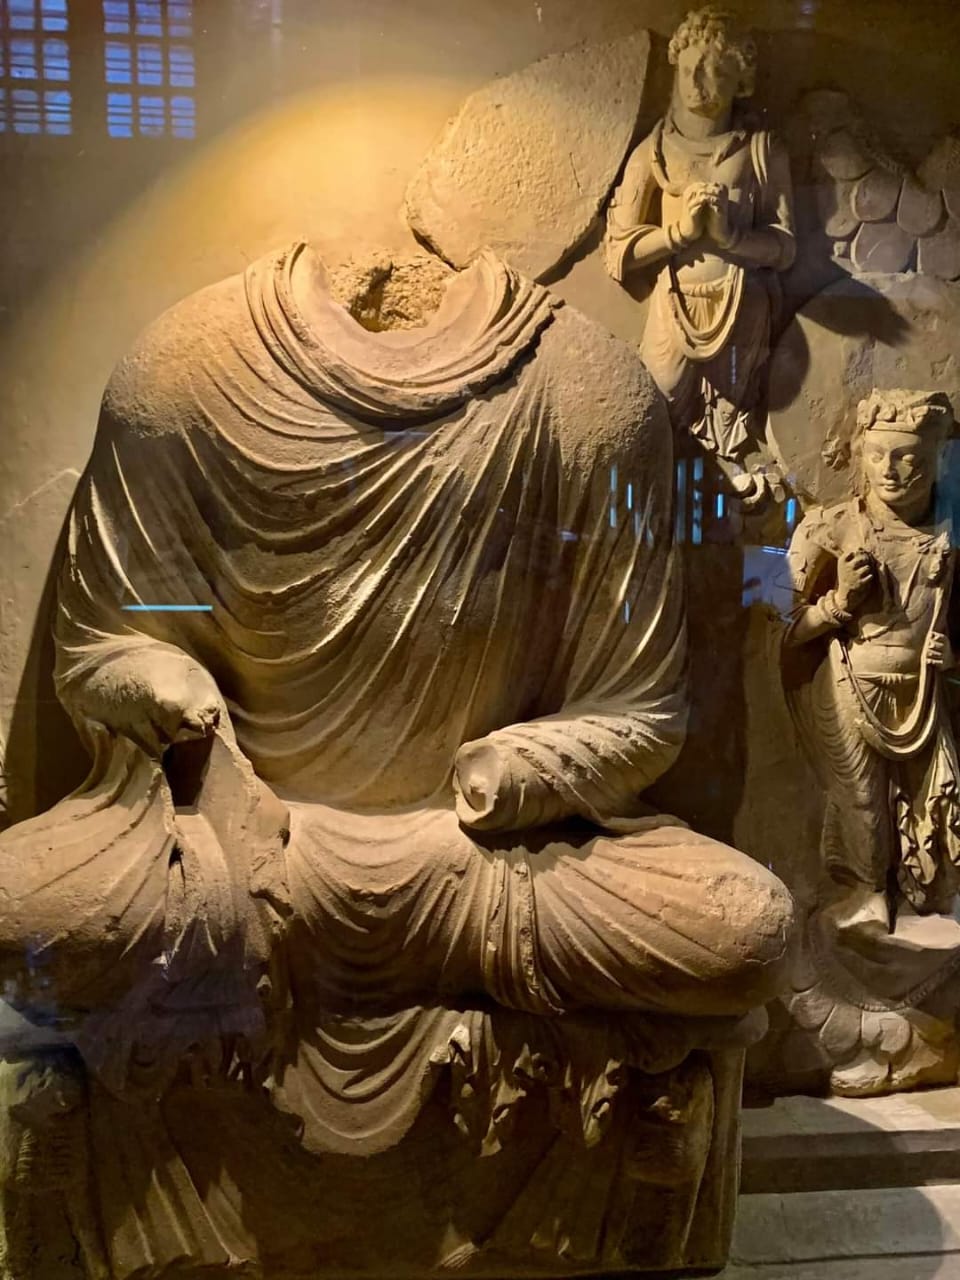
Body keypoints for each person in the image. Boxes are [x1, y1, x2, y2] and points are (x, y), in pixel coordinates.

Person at [783, 388, 960, 936]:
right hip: (850, 683)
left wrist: (951, 657)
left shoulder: (950, 534)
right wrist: (839, 602)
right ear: (859, 454)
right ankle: (868, 892)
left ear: (937, 461)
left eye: (908, 457)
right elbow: (782, 631)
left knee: (932, 803)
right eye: (878, 454)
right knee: (862, 801)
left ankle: (926, 891)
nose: (890, 469)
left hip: (925, 691)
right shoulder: (830, 527)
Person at [604, 6, 795, 501]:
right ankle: (658, 491)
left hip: (743, 305)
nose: (696, 82)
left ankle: (730, 486)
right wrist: (680, 233)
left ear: (742, 81)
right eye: (688, 68)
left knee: (733, 416)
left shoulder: (761, 150)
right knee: (658, 402)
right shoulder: (654, 152)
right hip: (674, 304)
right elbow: (620, 249)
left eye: (714, 71)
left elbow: (785, 246)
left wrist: (732, 239)